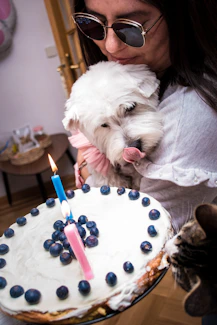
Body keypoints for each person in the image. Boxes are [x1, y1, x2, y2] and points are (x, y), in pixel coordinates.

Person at [72, 0, 217, 233]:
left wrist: (85, 169)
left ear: (179, 18)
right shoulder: (149, 70)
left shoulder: (184, 122)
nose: (110, 46)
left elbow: (136, 236)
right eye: (93, 24)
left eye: (132, 26)